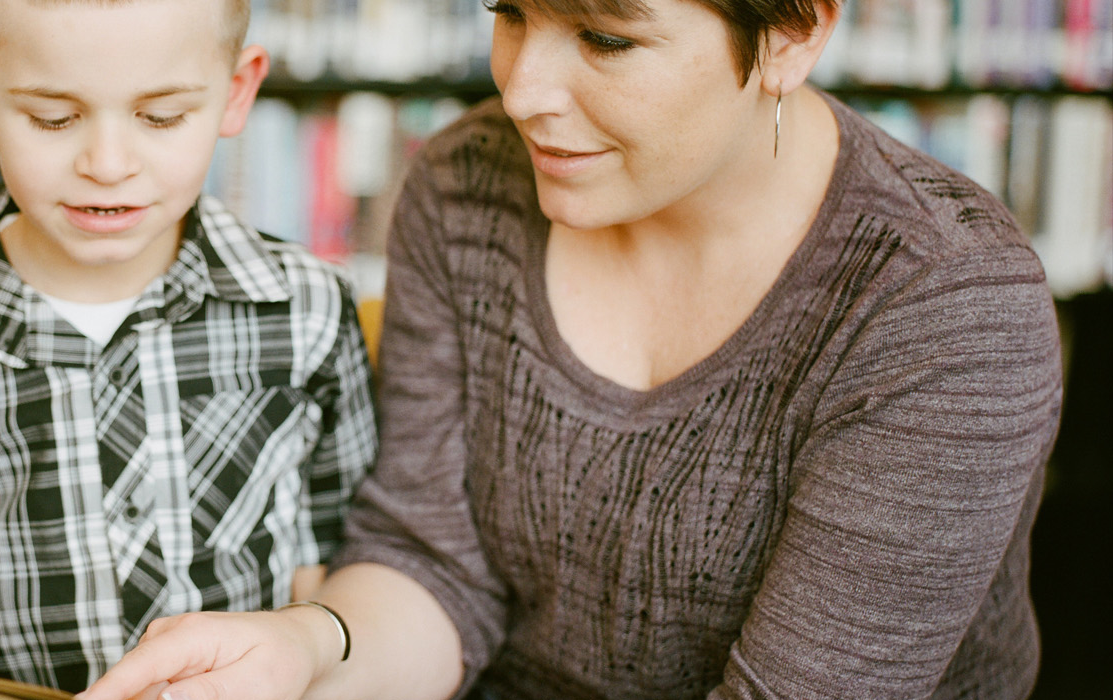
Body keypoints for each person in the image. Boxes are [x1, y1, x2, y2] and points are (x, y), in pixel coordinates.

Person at [78, 0, 1063, 698]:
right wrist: (302, 649)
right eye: (508, 12)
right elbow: (433, 568)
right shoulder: (464, 187)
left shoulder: (940, 303)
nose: (520, 90)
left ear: (789, 33)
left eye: (603, 34)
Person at [0, 0, 378, 696]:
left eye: (161, 117)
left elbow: (350, 556)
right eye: (54, 118)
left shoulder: (308, 308)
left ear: (237, 92)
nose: (108, 164)